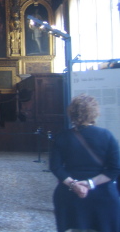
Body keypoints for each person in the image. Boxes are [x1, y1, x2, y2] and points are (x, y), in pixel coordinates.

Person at [50, 94, 120, 232]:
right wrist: (89, 184)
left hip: (70, 196)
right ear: (95, 113)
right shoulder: (107, 135)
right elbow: (114, 168)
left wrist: (74, 184)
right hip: (102, 194)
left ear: (72, 113)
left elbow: (55, 167)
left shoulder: (62, 137)